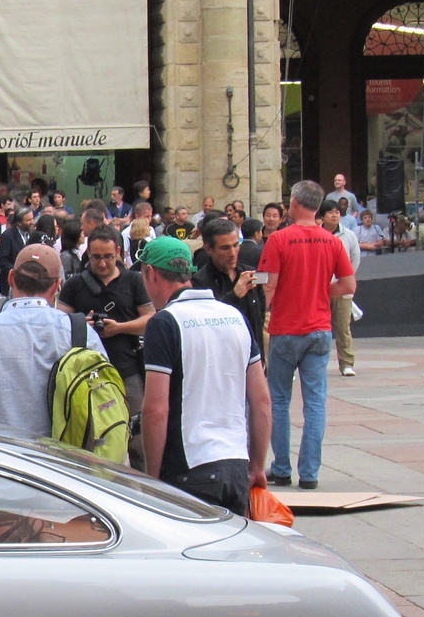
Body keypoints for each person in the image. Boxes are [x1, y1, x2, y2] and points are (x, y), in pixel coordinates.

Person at [140, 237, 271, 516]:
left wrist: (152, 476)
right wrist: (257, 466)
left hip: (187, 469)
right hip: (235, 465)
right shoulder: (234, 315)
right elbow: (261, 402)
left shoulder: (164, 322)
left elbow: (156, 410)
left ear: (151, 273)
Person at [0, 244, 105, 435]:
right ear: (56, 285)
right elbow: (102, 403)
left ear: (11, 278)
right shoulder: (80, 332)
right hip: (65, 460)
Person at [259, 180, 356, 490]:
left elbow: (268, 284)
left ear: (295, 203)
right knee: (315, 403)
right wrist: (319, 291)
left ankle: (282, 467)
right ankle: (310, 473)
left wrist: (268, 303)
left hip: (286, 329)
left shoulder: (278, 239)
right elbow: (349, 286)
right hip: (319, 329)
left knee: (279, 400)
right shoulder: (332, 241)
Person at [57, 224, 153, 467]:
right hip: (86, 373)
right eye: (96, 257)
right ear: (88, 253)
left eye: (108, 257)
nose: (102, 264)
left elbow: (150, 319)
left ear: (118, 252)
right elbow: (58, 322)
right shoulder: (75, 285)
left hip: (127, 367)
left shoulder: (134, 281)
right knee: (89, 434)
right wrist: (82, 324)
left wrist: (119, 328)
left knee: (139, 437)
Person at [192, 216, 266, 360]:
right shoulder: (200, 282)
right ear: (209, 249)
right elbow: (207, 325)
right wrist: (234, 295)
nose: (232, 253)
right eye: (225, 248)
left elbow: (259, 315)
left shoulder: (249, 273)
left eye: (236, 245)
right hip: (223, 361)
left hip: (253, 358)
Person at [321, 203, 360, 377]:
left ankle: (347, 363)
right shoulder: (316, 234)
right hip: (320, 288)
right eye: (330, 212)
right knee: (319, 329)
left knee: (343, 327)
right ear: (322, 216)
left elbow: (355, 259)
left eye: (337, 212)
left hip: (342, 287)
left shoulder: (349, 235)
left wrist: (345, 280)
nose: (334, 215)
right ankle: (318, 363)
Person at [0, 208, 35, 297]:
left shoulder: (33, 234)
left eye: (32, 219)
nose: (32, 222)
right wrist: (19, 272)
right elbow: (2, 260)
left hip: (31, 284)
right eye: (28, 220)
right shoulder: (7, 236)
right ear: (19, 222)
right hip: (12, 284)